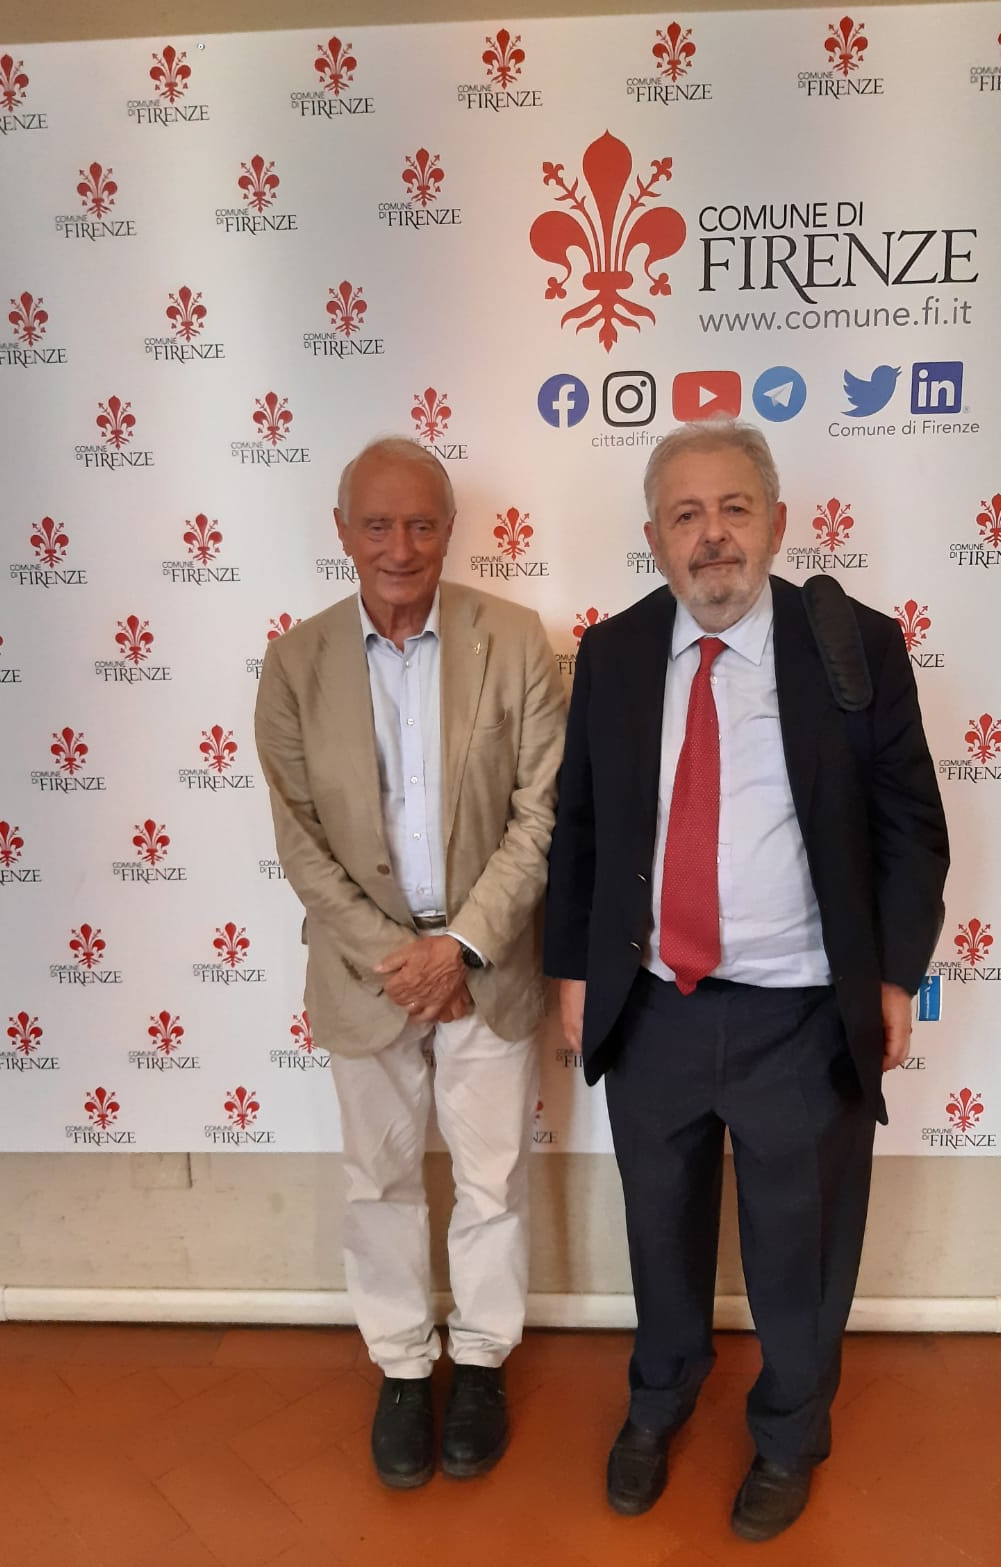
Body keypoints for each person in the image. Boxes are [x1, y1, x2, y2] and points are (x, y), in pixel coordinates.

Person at [543, 418, 948, 1542]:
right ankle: (659, 1400)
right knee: (660, 1230)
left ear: (776, 522)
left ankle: (788, 1433)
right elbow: (580, 827)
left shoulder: (855, 647)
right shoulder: (614, 653)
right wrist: (572, 968)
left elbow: (911, 826)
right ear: (655, 539)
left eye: (733, 509)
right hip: (654, 1010)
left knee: (799, 1248)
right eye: (687, 514)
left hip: (803, 1014)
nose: (712, 534)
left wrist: (894, 978)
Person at [255, 436, 565, 1489]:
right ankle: (400, 1365)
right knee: (379, 1178)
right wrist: (402, 957)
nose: (401, 546)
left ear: (450, 531)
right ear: (342, 531)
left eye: (422, 523)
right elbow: (300, 838)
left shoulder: (513, 640)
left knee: (492, 1177)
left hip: (487, 961)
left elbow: (541, 813)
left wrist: (460, 946)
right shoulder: (296, 662)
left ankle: (479, 1361)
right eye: (379, 524)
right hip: (367, 971)